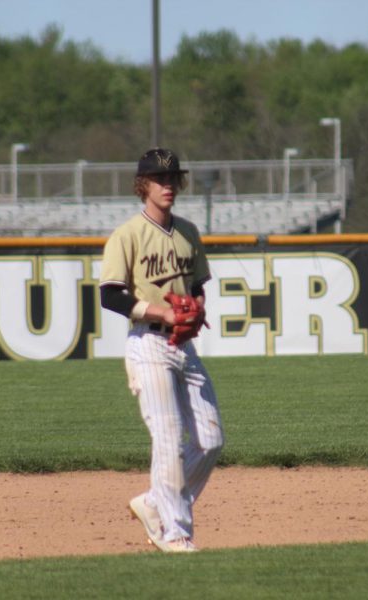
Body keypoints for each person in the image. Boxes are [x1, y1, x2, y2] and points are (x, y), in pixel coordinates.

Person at [99, 147, 224, 553]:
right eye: (158, 179)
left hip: (184, 348)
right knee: (168, 438)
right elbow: (111, 296)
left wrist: (198, 305)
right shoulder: (127, 235)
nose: (167, 185)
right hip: (148, 343)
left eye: (172, 179)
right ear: (143, 185)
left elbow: (198, 285)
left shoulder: (188, 231)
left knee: (210, 440)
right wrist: (159, 311)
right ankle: (175, 531)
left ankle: (154, 501)